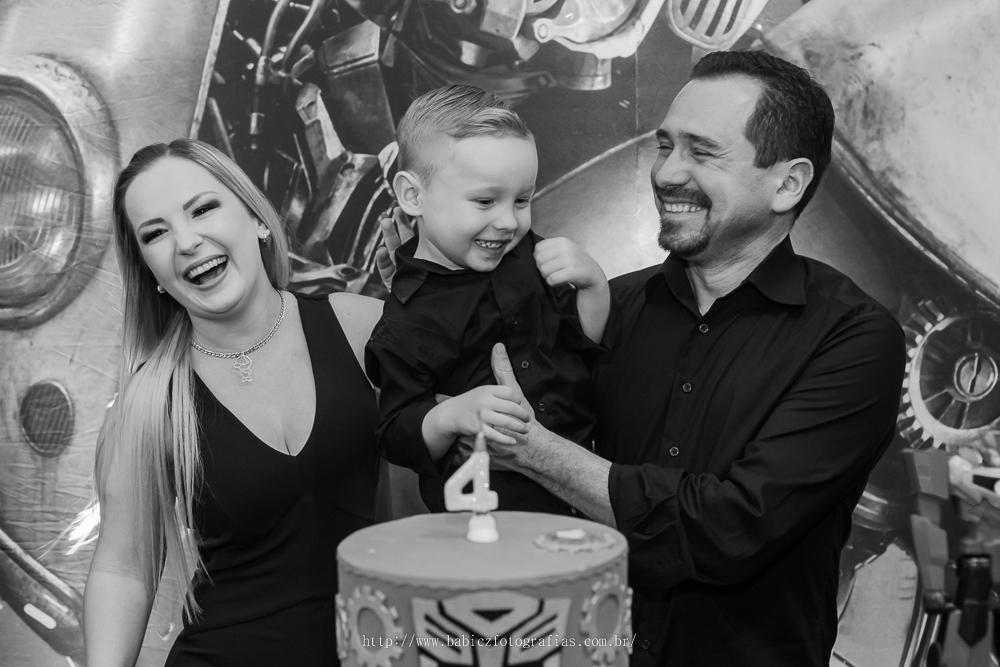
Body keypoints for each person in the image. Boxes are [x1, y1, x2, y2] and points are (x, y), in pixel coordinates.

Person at [380, 51, 907, 666]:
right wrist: (435, 289)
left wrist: (533, 450)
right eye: (664, 146)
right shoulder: (605, 308)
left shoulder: (851, 338)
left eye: (701, 152)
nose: (667, 173)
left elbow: (730, 528)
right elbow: (441, 394)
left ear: (786, 183)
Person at [83, 139, 384, 666]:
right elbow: (124, 571)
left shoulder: (360, 327)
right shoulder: (152, 401)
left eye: (202, 209)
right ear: (150, 272)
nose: (186, 241)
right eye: (156, 234)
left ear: (257, 219)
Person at [364, 84, 610, 515]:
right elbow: (394, 433)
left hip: (580, 489)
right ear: (412, 196)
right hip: (486, 516)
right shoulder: (408, 320)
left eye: (522, 200)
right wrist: (452, 415)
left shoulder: (525, 256)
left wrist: (594, 286)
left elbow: (580, 345)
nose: (507, 221)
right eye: (484, 201)